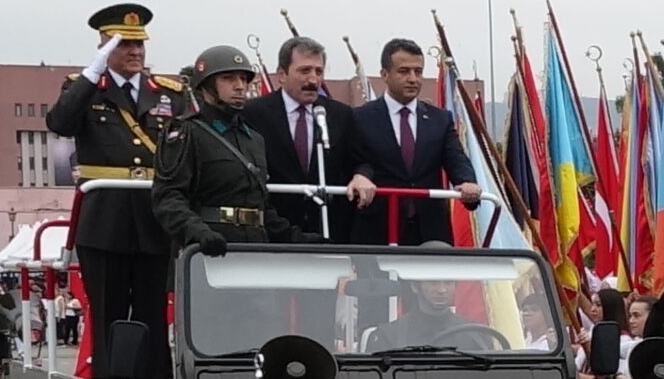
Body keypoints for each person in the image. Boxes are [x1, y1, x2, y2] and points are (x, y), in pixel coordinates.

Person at [47, 3, 180, 379]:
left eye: (139, 44)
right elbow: (60, 122)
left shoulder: (169, 94)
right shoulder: (84, 88)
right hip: (105, 218)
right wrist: (94, 72)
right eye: (124, 44)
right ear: (105, 45)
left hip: (155, 216)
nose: (135, 52)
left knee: (154, 310)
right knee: (108, 309)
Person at [153, 45, 304, 261]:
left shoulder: (254, 139)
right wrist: (198, 233)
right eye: (229, 78)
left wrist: (300, 238)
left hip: (254, 252)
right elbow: (167, 198)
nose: (240, 86)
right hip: (206, 253)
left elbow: (261, 208)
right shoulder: (187, 133)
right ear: (206, 86)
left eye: (243, 79)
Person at [242, 35, 371, 241]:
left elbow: (361, 160)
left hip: (327, 229)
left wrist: (361, 175)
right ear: (282, 74)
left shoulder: (340, 114)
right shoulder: (253, 113)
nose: (313, 80)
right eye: (304, 71)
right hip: (273, 232)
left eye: (318, 71)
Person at [350, 38, 478, 247]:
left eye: (418, 72)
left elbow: (456, 158)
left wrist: (467, 181)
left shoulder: (440, 119)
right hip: (377, 231)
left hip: (430, 232)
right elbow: (355, 161)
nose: (413, 79)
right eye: (404, 71)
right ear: (385, 75)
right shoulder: (359, 118)